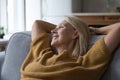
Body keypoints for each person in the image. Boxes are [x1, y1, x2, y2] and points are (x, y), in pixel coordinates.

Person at [20, 16, 120, 80]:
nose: (53, 31)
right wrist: (61, 29)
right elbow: (38, 24)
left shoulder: (86, 63)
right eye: (55, 28)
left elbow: (118, 28)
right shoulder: (42, 53)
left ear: (75, 33)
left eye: (61, 27)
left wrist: (94, 30)